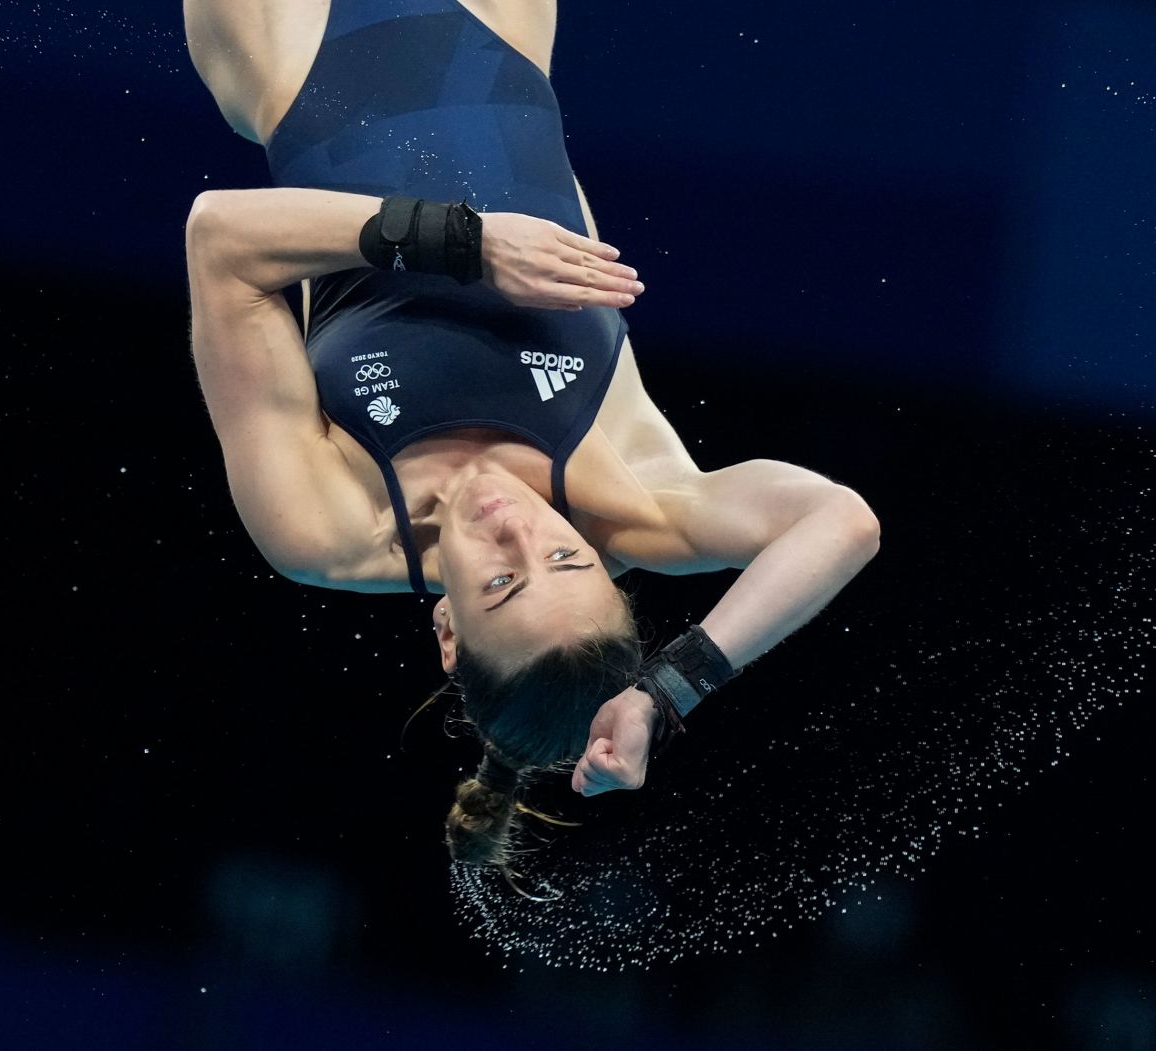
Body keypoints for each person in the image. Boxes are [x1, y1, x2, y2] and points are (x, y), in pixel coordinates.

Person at [181, 0, 880, 885]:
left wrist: (464, 243)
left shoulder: (331, 526)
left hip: (297, 37)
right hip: (493, 32)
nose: (519, 528)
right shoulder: (626, 497)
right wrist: (670, 692)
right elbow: (841, 521)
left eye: (503, 582)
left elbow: (219, 239)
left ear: (448, 630)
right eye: (567, 558)